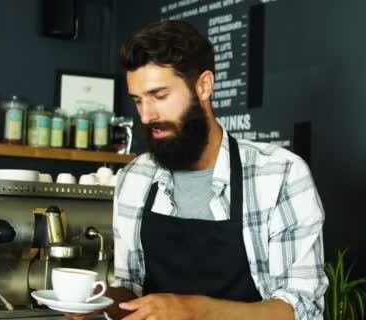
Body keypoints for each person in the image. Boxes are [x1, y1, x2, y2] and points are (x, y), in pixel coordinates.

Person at [67, 20, 327, 320]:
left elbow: (301, 309)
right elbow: (131, 290)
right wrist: (96, 300)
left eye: (160, 96)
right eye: (138, 101)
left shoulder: (279, 174)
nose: (147, 115)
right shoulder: (135, 179)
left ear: (204, 86)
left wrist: (194, 310)